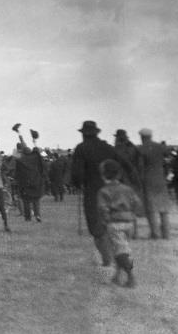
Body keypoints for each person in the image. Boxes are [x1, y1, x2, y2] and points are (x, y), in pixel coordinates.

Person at [71, 120, 119, 266]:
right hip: (112, 190)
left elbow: (77, 174)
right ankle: (116, 254)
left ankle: (107, 259)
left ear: (84, 134)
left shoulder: (81, 148)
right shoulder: (108, 148)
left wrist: (77, 184)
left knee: (97, 228)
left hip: (93, 192)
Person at [97, 159, 143, 287]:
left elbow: (103, 209)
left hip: (114, 223)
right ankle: (117, 276)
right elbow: (137, 203)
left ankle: (131, 277)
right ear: (119, 174)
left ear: (103, 175)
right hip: (129, 223)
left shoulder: (104, 191)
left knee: (120, 252)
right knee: (123, 250)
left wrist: (105, 221)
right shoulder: (127, 189)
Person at [137, 128, 171, 240]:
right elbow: (168, 159)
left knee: (151, 209)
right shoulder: (160, 147)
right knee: (163, 209)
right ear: (151, 136)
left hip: (148, 180)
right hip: (161, 180)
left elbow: (140, 166)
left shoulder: (141, 149)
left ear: (142, 137)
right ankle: (166, 234)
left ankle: (155, 234)